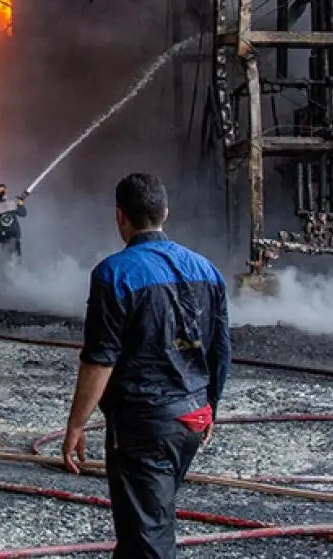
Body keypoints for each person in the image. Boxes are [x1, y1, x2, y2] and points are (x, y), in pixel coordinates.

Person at [61, 173, 231, 559]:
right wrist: (210, 410)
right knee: (146, 525)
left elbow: (99, 360)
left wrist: (76, 424)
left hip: (144, 424)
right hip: (193, 416)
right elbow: (221, 350)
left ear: (119, 216)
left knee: (148, 539)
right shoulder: (207, 269)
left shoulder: (114, 273)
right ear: (165, 213)